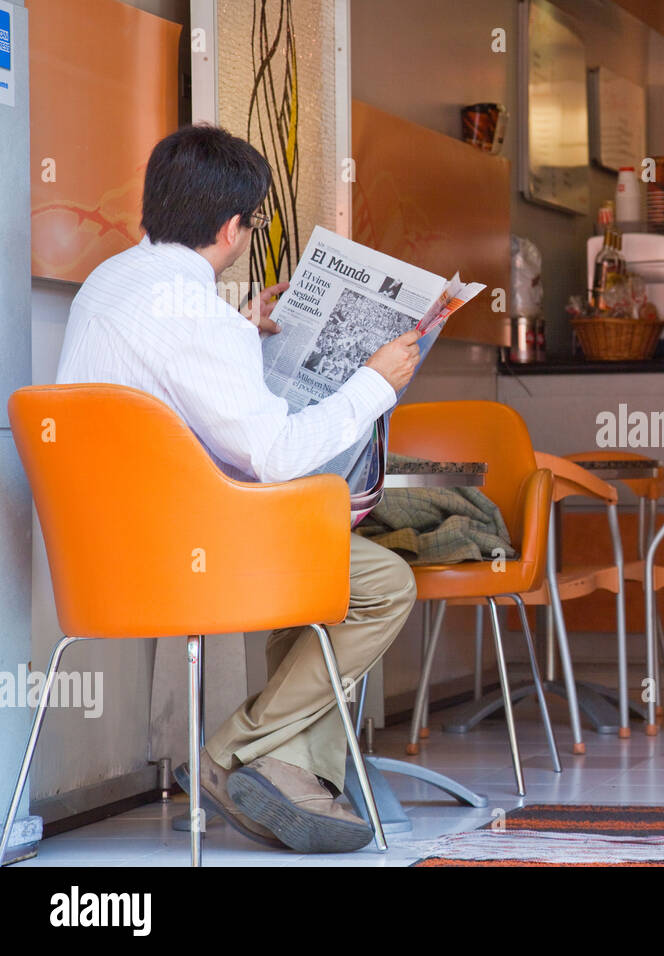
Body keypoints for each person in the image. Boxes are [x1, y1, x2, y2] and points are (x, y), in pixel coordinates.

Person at [55, 124, 419, 853]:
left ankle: (292, 768)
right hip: (182, 555)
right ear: (232, 227)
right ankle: (234, 754)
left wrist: (241, 326)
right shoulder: (198, 320)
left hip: (96, 556)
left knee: (319, 568)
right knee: (381, 583)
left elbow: (167, 384)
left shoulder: (110, 282)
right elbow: (277, 457)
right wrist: (374, 384)